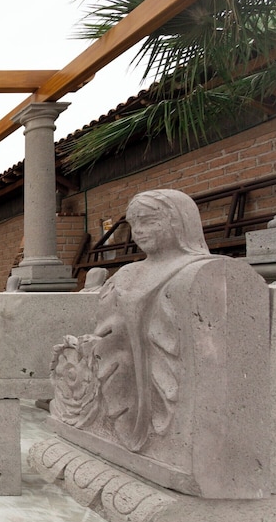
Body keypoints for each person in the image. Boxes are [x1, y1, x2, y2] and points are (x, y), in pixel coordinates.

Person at [52, 190, 220, 451]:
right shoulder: (127, 273)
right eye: (134, 224)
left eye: (148, 221)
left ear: (179, 222)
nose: (138, 231)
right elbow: (105, 331)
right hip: (123, 377)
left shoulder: (201, 271)